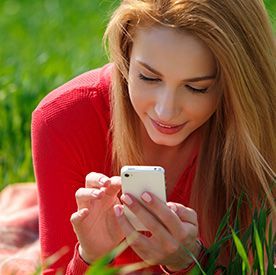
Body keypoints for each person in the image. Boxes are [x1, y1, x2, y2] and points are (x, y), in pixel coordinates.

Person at [31, 0, 276, 274]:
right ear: (125, 54)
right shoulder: (65, 118)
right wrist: (91, 257)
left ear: (237, 84)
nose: (165, 111)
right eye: (148, 78)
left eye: (197, 88)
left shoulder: (263, 127)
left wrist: (189, 262)